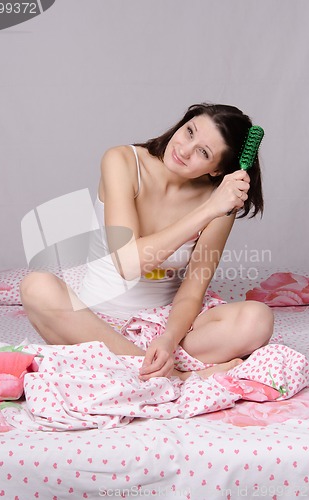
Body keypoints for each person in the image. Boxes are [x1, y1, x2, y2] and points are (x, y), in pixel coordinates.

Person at [20, 103, 274, 382]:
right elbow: (128, 264)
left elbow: (192, 289)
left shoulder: (221, 200)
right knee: (36, 287)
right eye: (189, 132)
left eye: (203, 152)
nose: (184, 150)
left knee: (257, 319)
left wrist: (168, 338)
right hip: (93, 322)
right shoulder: (122, 161)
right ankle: (176, 375)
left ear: (217, 171)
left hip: (166, 328)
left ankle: (136, 364)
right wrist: (206, 210)